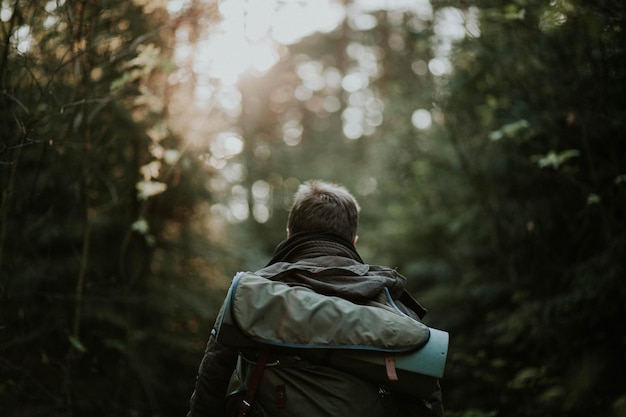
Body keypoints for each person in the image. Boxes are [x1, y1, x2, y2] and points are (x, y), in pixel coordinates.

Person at [187, 180, 444, 417]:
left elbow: (209, 390)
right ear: (353, 242)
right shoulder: (388, 301)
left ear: (289, 234)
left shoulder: (250, 294)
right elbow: (427, 400)